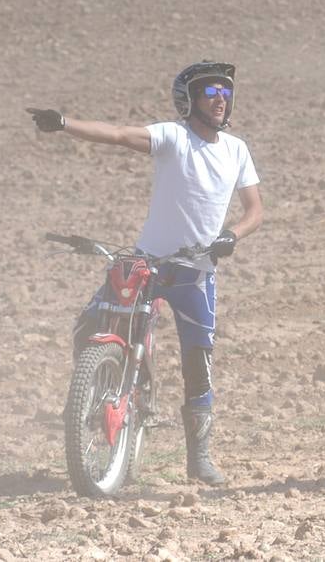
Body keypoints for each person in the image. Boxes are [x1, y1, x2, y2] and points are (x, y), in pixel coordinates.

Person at [25, 60, 264, 486]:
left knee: (197, 362)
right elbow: (118, 135)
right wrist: (64, 124)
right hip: (148, 263)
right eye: (211, 93)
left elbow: (255, 211)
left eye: (225, 93)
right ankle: (91, 396)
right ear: (189, 101)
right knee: (90, 323)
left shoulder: (237, 150)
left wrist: (232, 235)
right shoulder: (174, 137)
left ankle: (200, 457)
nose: (220, 100)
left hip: (196, 272)